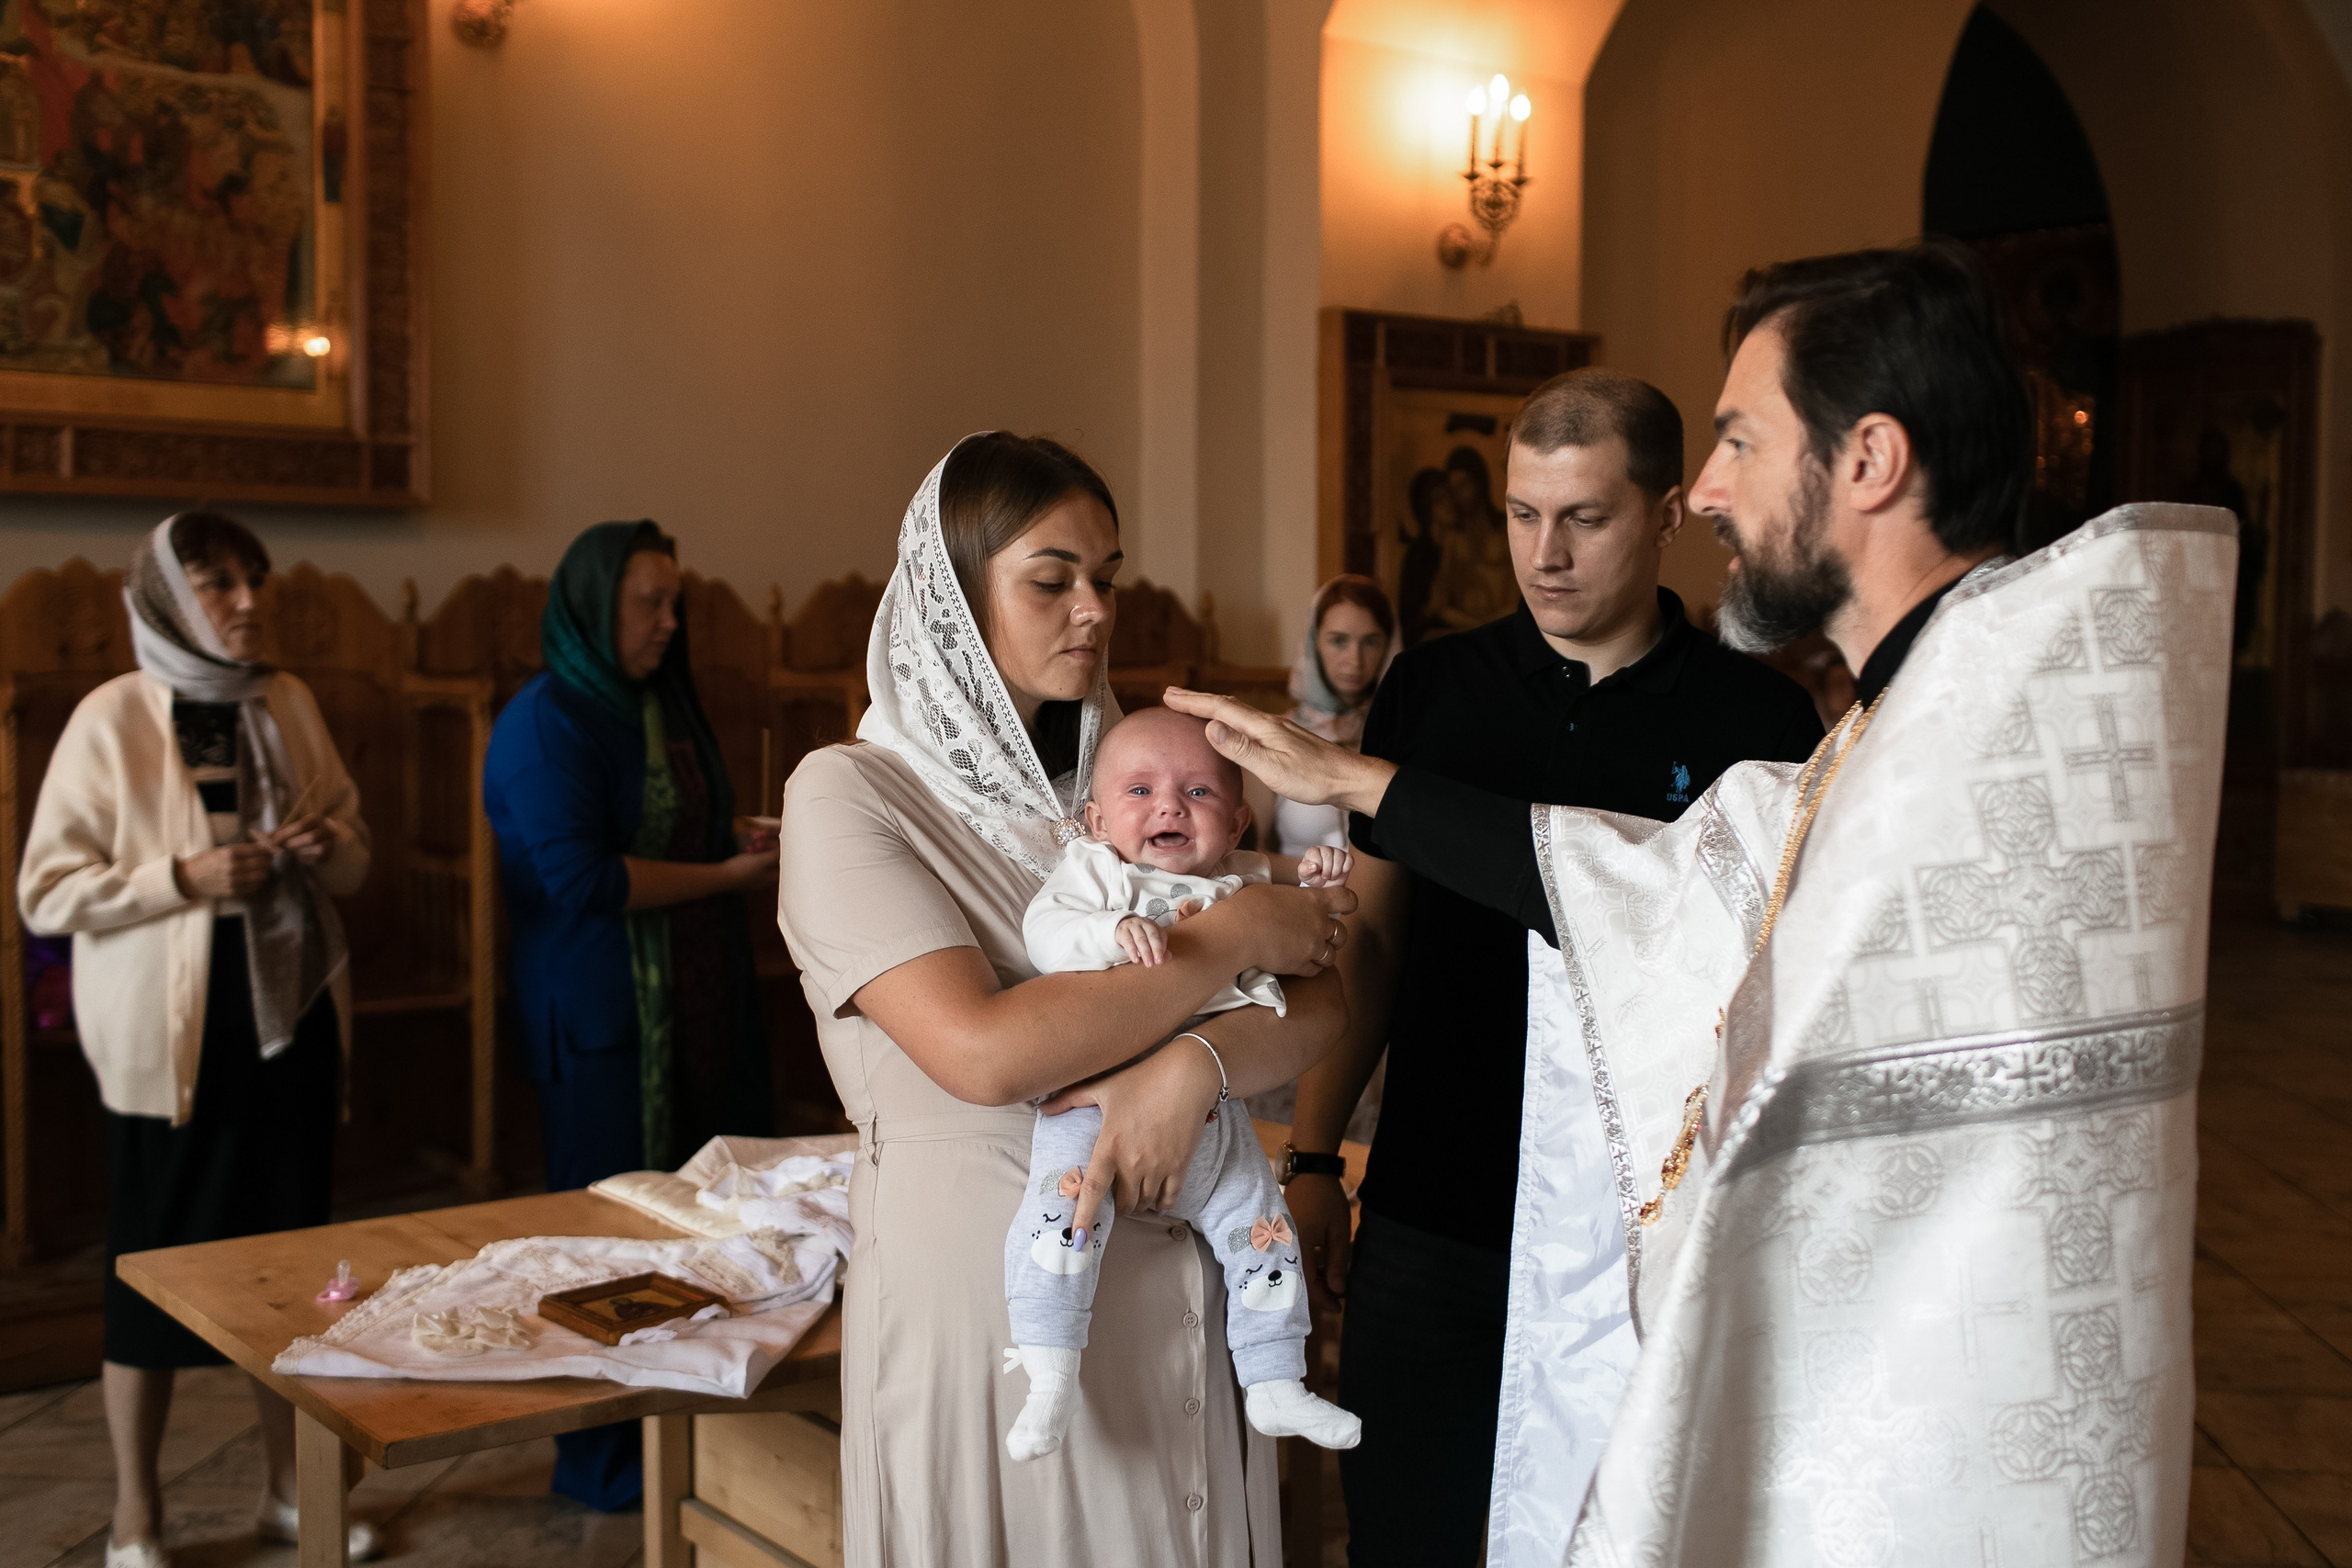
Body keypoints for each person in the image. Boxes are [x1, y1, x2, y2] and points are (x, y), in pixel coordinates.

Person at [1167, 240, 2229, 1566]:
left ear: (1869, 460)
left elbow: (1657, 908)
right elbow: (1661, 888)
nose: (1712, 490)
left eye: (1737, 440)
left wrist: (1359, 778)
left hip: (1932, 1428)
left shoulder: (1972, 729)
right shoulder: (1927, 710)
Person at [1269, 367, 1822, 1566]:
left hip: (1641, 1240)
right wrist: (1315, 1155)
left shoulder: (1759, 726)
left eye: (1586, 515)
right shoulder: (1434, 689)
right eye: (1523, 513)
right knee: (1406, 1536)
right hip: (1432, 1210)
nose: (1544, 551)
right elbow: (1371, 935)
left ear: (1667, 512)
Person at [775, 432, 1355, 1564]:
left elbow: (1325, 1002)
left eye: (1108, 577)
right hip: (994, 1305)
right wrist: (1225, 940)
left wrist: (1194, 1069)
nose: (1093, 609)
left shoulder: (1123, 785)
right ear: (954, 595)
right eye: (1052, 580)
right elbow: (987, 1052)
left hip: (1185, 1296)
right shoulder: (849, 797)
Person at [19, 513, 375, 1568]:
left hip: (290, 1017)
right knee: (150, 1278)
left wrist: (326, 845)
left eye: (253, 579)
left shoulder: (290, 700)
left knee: (295, 1274)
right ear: (170, 600)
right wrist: (181, 878)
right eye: (217, 583)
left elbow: (355, 855)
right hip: (172, 1047)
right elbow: (44, 893)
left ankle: (283, 1492)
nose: (248, 600)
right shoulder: (111, 716)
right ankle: (138, 1515)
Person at [481, 519, 776, 1510]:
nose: (668, 620)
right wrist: (727, 875)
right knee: (609, 1252)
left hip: (696, 1005)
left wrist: (734, 838)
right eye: (647, 602)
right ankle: (604, 1465)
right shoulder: (547, 717)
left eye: (674, 601)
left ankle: (697, 1455)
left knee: (706, 1243)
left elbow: (672, 828)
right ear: (590, 608)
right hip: (606, 1025)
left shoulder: (659, 704)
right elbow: (577, 878)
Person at [1004, 706, 1360, 1461]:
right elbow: (1045, 932)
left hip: (1212, 1116)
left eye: (1197, 792)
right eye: (1141, 790)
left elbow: (1305, 925)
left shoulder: (1240, 884)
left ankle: (1274, 1378)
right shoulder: (1097, 874)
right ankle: (1049, 1367)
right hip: (1094, 1101)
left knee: (1265, 1232)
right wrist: (1109, 934)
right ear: (1098, 819)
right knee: (1062, 1217)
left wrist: (1318, 879)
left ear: (1235, 826)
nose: (1168, 805)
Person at [1247, 575, 1395, 858]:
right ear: (1314, 643)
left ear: (1389, 646)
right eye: (1339, 641)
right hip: (1300, 894)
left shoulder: (1402, 734)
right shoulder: (1275, 735)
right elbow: (1247, 854)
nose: (1355, 660)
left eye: (1371, 643)